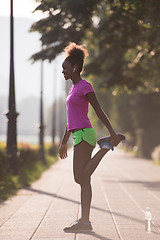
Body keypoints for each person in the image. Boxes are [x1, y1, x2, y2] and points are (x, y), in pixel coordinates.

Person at [59, 42, 123, 232]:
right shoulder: (72, 90)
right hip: (78, 135)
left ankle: (105, 147)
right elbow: (70, 120)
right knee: (84, 180)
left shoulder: (85, 86)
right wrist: (64, 142)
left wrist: (112, 134)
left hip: (86, 134)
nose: (63, 71)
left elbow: (99, 111)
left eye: (65, 68)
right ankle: (85, 222)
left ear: (75, 68)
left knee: (80, 177)